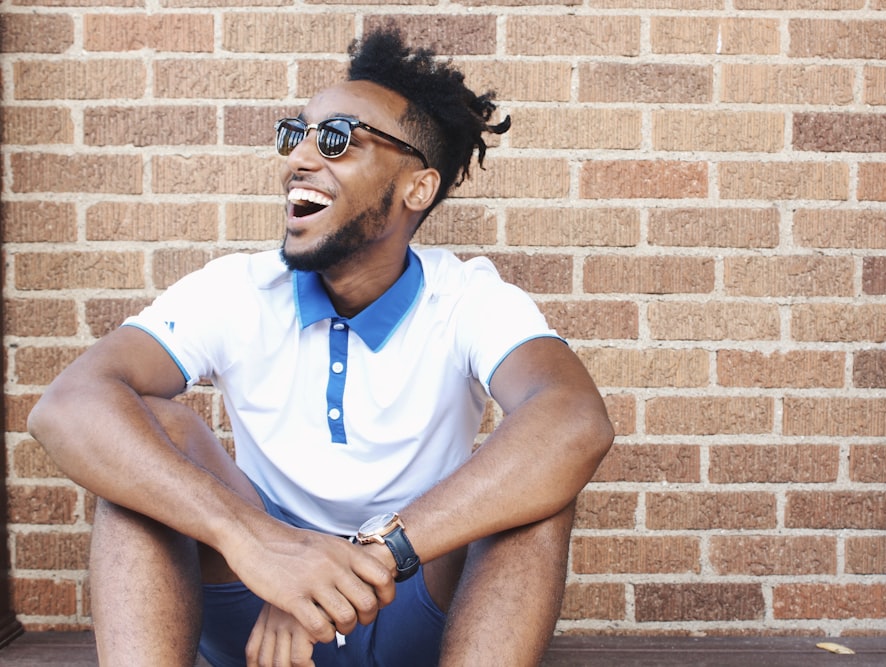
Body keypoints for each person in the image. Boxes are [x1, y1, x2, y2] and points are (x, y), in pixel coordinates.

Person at [27, 25, 614, 667]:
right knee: (146, 435)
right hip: (255, 613)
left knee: (538, 489)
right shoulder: (237, 288)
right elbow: (66, 407)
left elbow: (575, 421)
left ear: (416, 188)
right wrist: (262, 545)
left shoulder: (469, 297)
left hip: (411, 608)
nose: (301, 159)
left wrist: (360, 559)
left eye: (337, 141)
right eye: (296, 134)